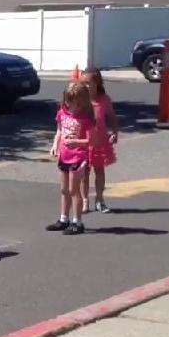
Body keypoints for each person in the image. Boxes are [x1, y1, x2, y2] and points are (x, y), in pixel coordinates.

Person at [47, 81, 95, 235]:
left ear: (81, 103)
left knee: (73, 190)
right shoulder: (62, 113)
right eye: (68, 103)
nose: (70, 107)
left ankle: (77, 222)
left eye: (73, 104)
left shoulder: (85, 119)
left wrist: (76, 142)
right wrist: (55, 145)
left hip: (78, 157)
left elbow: (92, 141)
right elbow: (59, 131)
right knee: (64, 190)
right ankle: (63, 218)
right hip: (64, 155)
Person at [80, 69, 119, 214]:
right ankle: (84, 200)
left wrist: (114, 131)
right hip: (83, 141)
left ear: (96, 83)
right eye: (82, 83)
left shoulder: (104, 100)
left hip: (100, 142)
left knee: (100, 172)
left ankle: (100, 199)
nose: (85, 86)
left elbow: (112, 117)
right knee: (84, 173)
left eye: (88, 83)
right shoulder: (80, 100)